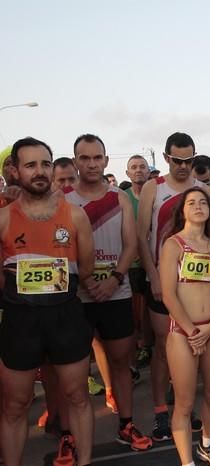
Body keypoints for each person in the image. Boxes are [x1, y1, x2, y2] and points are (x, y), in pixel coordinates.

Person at [0, 137, 95, 466]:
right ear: (16, 171)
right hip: (20, 322)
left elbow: (87, 267)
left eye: (45, 164)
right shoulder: (4, 218)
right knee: (15, 405)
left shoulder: (76, 215)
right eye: (30, 165)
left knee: (78, 397)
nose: (39, 171)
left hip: (65, 317)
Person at [65, 134, 152, 451]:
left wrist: (114, 279)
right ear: (76, 161)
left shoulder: (119, 198)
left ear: (105, 160)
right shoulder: (65, 201)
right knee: (74, 369)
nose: (91, 163)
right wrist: (87, 281)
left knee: (120, 362)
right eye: (84, 158)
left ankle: (126, 425)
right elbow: (65, 246)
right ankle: (70, 435)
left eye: (96, 157)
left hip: (116, 293)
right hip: (79, 296)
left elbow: (131, 244)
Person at [137, 132, 210, 441]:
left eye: (189, 160)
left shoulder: (202, 190)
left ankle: (185, 406)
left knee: (192, 349)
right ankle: (160, 412)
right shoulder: (153, 189)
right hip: (161, 284)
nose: (183, 166)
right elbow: (142, 236)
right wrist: (154, 275)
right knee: (163, 352)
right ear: (166, 158)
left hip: (193, 286)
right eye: (177, 160)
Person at [160, 187, 210, 466]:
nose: (198, 206)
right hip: (183, 334)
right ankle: (186, 462)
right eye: (192, 202)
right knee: (185, 403)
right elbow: (168, 295)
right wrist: (192, 332)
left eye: (204, 202)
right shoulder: (173, 245)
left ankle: (207, 444)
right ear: (182, 211)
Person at [124, 155, 153, 369]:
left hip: (156, 261)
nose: (138, 170)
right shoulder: (122, 197)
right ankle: (136, 350)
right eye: (134, 167)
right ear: (127, 173)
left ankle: (149, 346)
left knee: (152, 311)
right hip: (131, 264)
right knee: (134, 312)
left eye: (142, 166)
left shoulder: (157, 194)